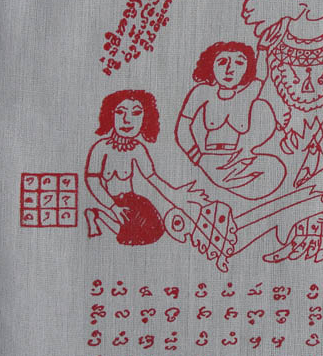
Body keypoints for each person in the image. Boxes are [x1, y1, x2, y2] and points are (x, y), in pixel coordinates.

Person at [175, 41, 285, 200]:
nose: (230, 69)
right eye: (222, 62)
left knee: (276, 168)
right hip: (212, 161)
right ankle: (228, 190)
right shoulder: (203, 92)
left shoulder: (246, 95)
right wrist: (198, 158)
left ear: (247, 69)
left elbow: (261, 75)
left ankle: (234, 192)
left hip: (240, 159)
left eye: (239, 63)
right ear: (210, 65)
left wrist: (263, 48)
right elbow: (182, 127)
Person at [83, 90, 167, 245]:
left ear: (145, 119)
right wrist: (113, 206)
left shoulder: (138, 149)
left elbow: (152, 178)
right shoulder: (101, 148)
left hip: (133, 201)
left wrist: (175, 192)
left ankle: (100, 217)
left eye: (136, 113)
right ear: (110, 115)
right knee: (129, 236)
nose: (127, 120)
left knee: (154, 231)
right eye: (120, 112)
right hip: (109, 201)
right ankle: (97, 215)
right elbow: (93, 181)